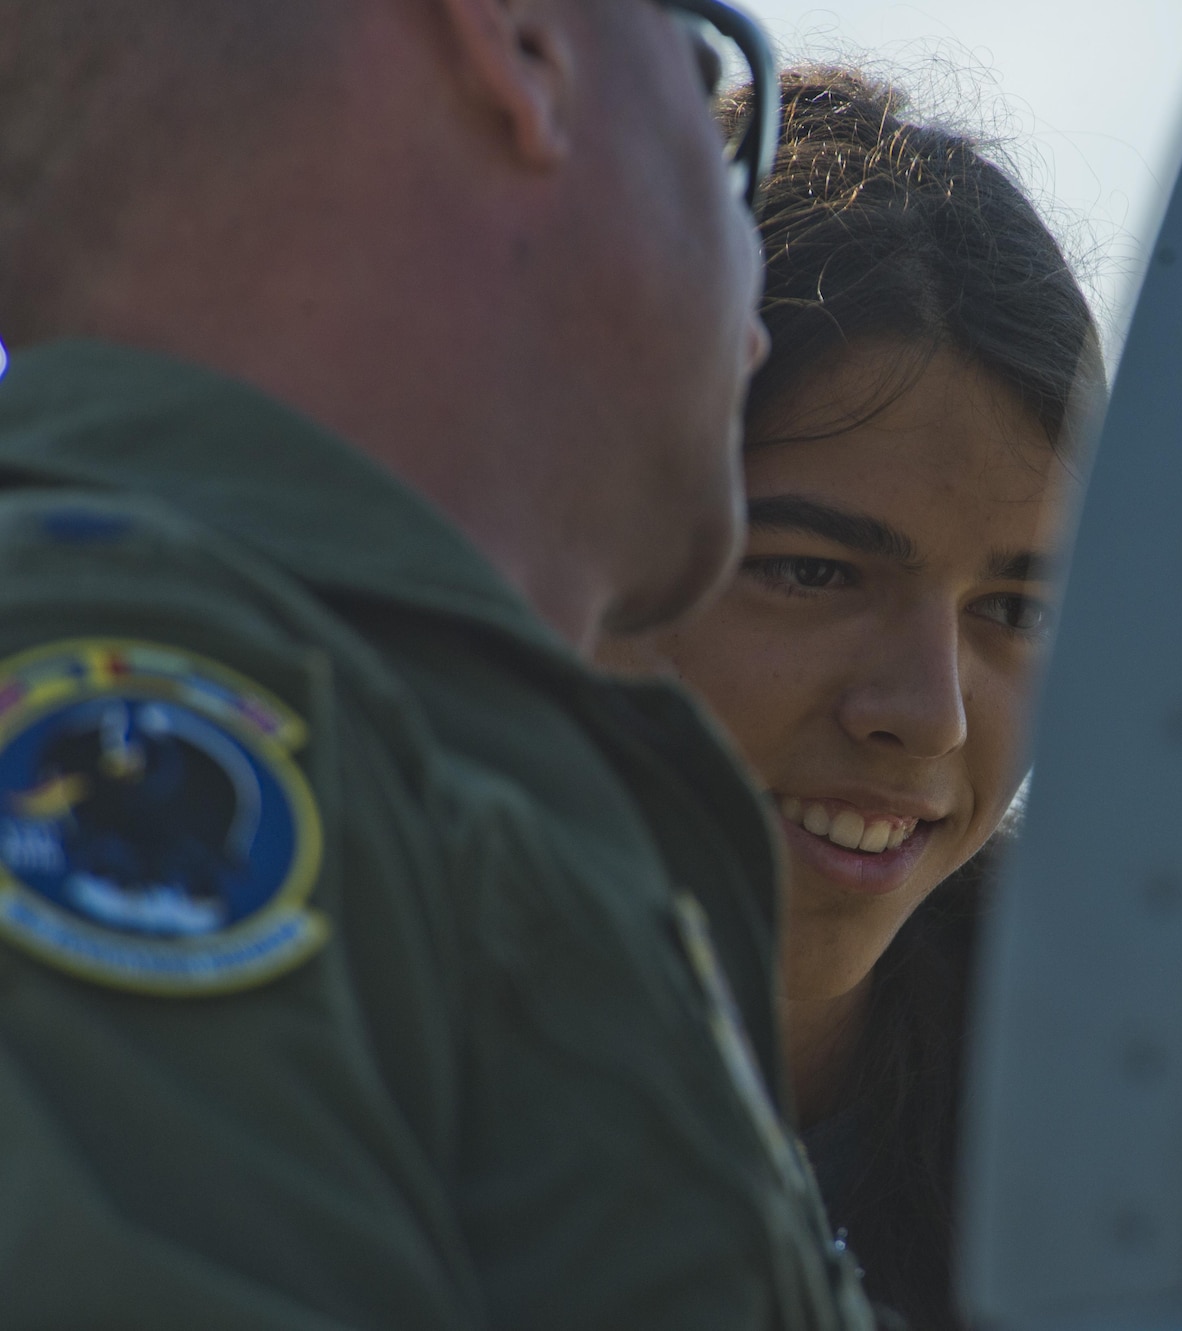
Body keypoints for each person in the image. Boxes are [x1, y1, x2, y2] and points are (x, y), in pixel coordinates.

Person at [0, 2, 869, 1327]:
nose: (755, 277)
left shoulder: (364, 725)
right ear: (519, 46)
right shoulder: (118, 676)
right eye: (706, 91)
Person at [596, 68, 1105, 1328]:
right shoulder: (297, 1043)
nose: (926, 713)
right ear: (580, 542)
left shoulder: (1139, 1131)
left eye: (1018, 610)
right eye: (813, 572)